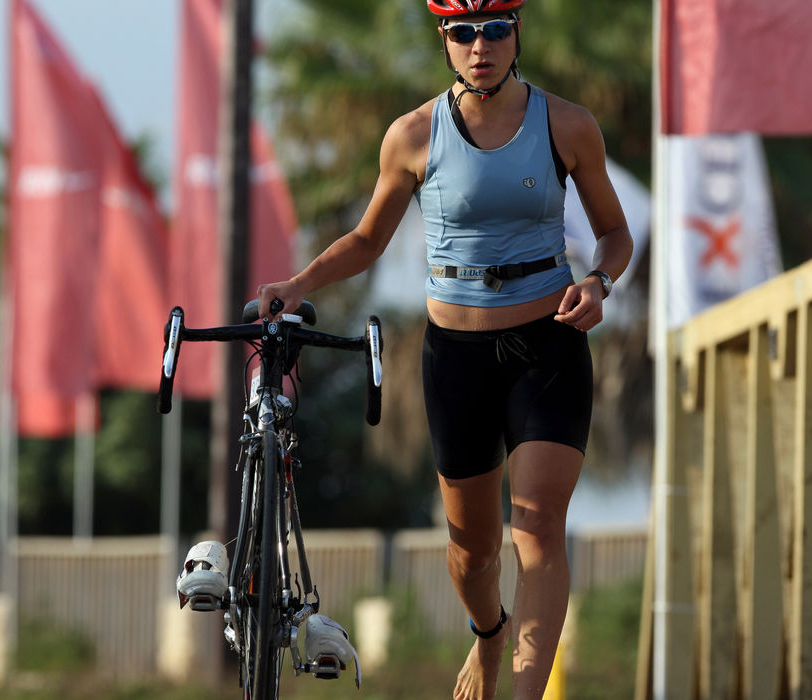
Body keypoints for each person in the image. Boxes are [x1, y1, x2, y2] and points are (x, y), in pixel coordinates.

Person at [257, 1, 632, 697]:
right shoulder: (413, 134)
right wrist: (298, 284)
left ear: (516, 33)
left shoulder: (568, 124)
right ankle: (488, 634)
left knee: (538, 528)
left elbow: (615, 234)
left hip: (549, 344)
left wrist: (599, 281)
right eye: (463, 33)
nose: (479, 46)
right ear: (445, 40)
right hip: (455, 357)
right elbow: (367, 241)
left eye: (494, 30)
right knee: (474, 553)